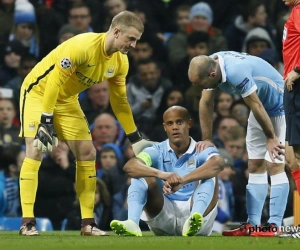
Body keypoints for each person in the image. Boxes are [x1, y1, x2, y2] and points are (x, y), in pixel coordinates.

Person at [18, 10, 154, 236]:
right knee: (35, 149)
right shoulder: (82, 46)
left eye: (137, 40)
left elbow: (119, 101)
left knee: (87, 152)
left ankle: (88, 224)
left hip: (67, 100)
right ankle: (27, 222)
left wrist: (135, 137)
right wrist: (46, 121)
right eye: (131, 38)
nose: (134, 44)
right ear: (117, 31)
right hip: (38, 93)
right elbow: (53, 82)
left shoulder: (120, 62)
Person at [188, 51, 288, 237]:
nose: (199, 88)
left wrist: (271, 137)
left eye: (200, 84)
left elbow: (256, 104)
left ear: (211, 75)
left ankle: (275, 225)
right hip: (260, 110)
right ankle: (253, 224)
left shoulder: (235, 72)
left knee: (275, 164)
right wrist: (208, 138)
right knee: (255, 165)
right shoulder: (211, 64)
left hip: (279, 107)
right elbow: (206, 103)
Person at [110, 106, 225, 237]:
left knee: (210, 172)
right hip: (165, 215)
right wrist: (162, 174)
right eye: (170, 123)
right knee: (141, 174)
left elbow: (218, 163)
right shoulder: (157, 150)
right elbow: (130, 166)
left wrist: (183, 180)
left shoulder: (201, 148)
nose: (174, 127)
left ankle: (194, 218)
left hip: (199, 215)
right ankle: (132, 223)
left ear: (189, 123)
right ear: (165, 127)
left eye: (179, 122)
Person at [280, 0, 300, 239]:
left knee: (296, 156)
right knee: (292, 159)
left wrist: (298, 68)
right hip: (292, 86)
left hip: (297, 85)